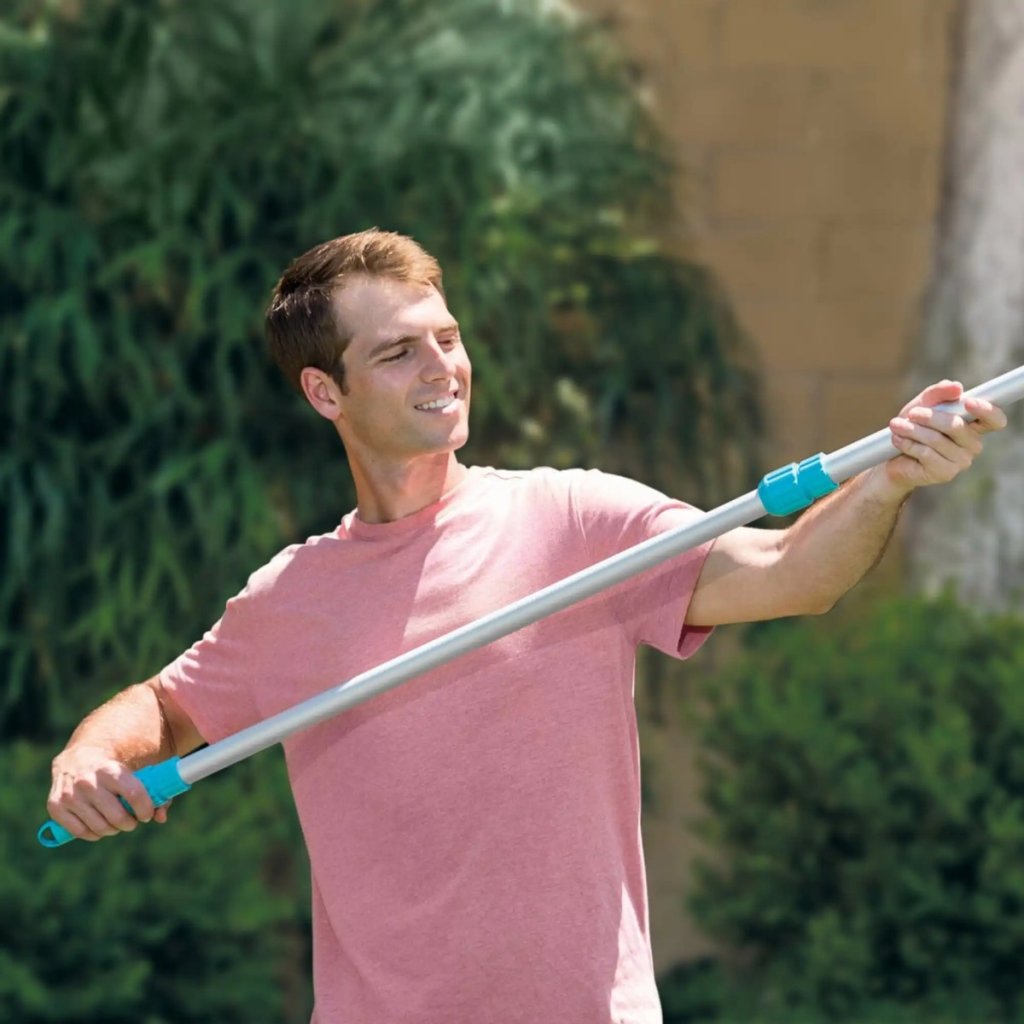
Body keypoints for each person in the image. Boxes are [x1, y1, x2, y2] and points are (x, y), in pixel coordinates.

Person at [47, 229, 1007, 1023]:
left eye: (448, 337)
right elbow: (162, 710)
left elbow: (791, 572)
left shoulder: (574, 520)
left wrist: (888, 480)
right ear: (324, 392)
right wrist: (92, 757)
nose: (443, 367)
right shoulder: (293, 598)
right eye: (398, 351)